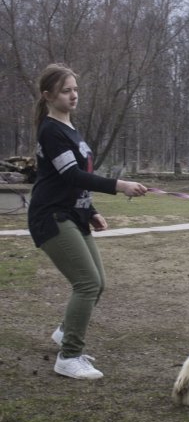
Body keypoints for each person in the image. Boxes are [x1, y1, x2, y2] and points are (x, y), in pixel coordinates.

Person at [28, 63, 147, 380]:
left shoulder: (70, 130)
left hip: (73, 214)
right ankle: (69, 357)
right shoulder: (51, 130)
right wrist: (119, 186)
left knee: (98, 284)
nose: (73, 95)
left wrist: (90, 210)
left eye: (75, 89)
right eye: (66, 90)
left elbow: (73, 181)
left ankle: (63, 334)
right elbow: (71, 174)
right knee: (87, 284)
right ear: (48, 96)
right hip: (50, 216)